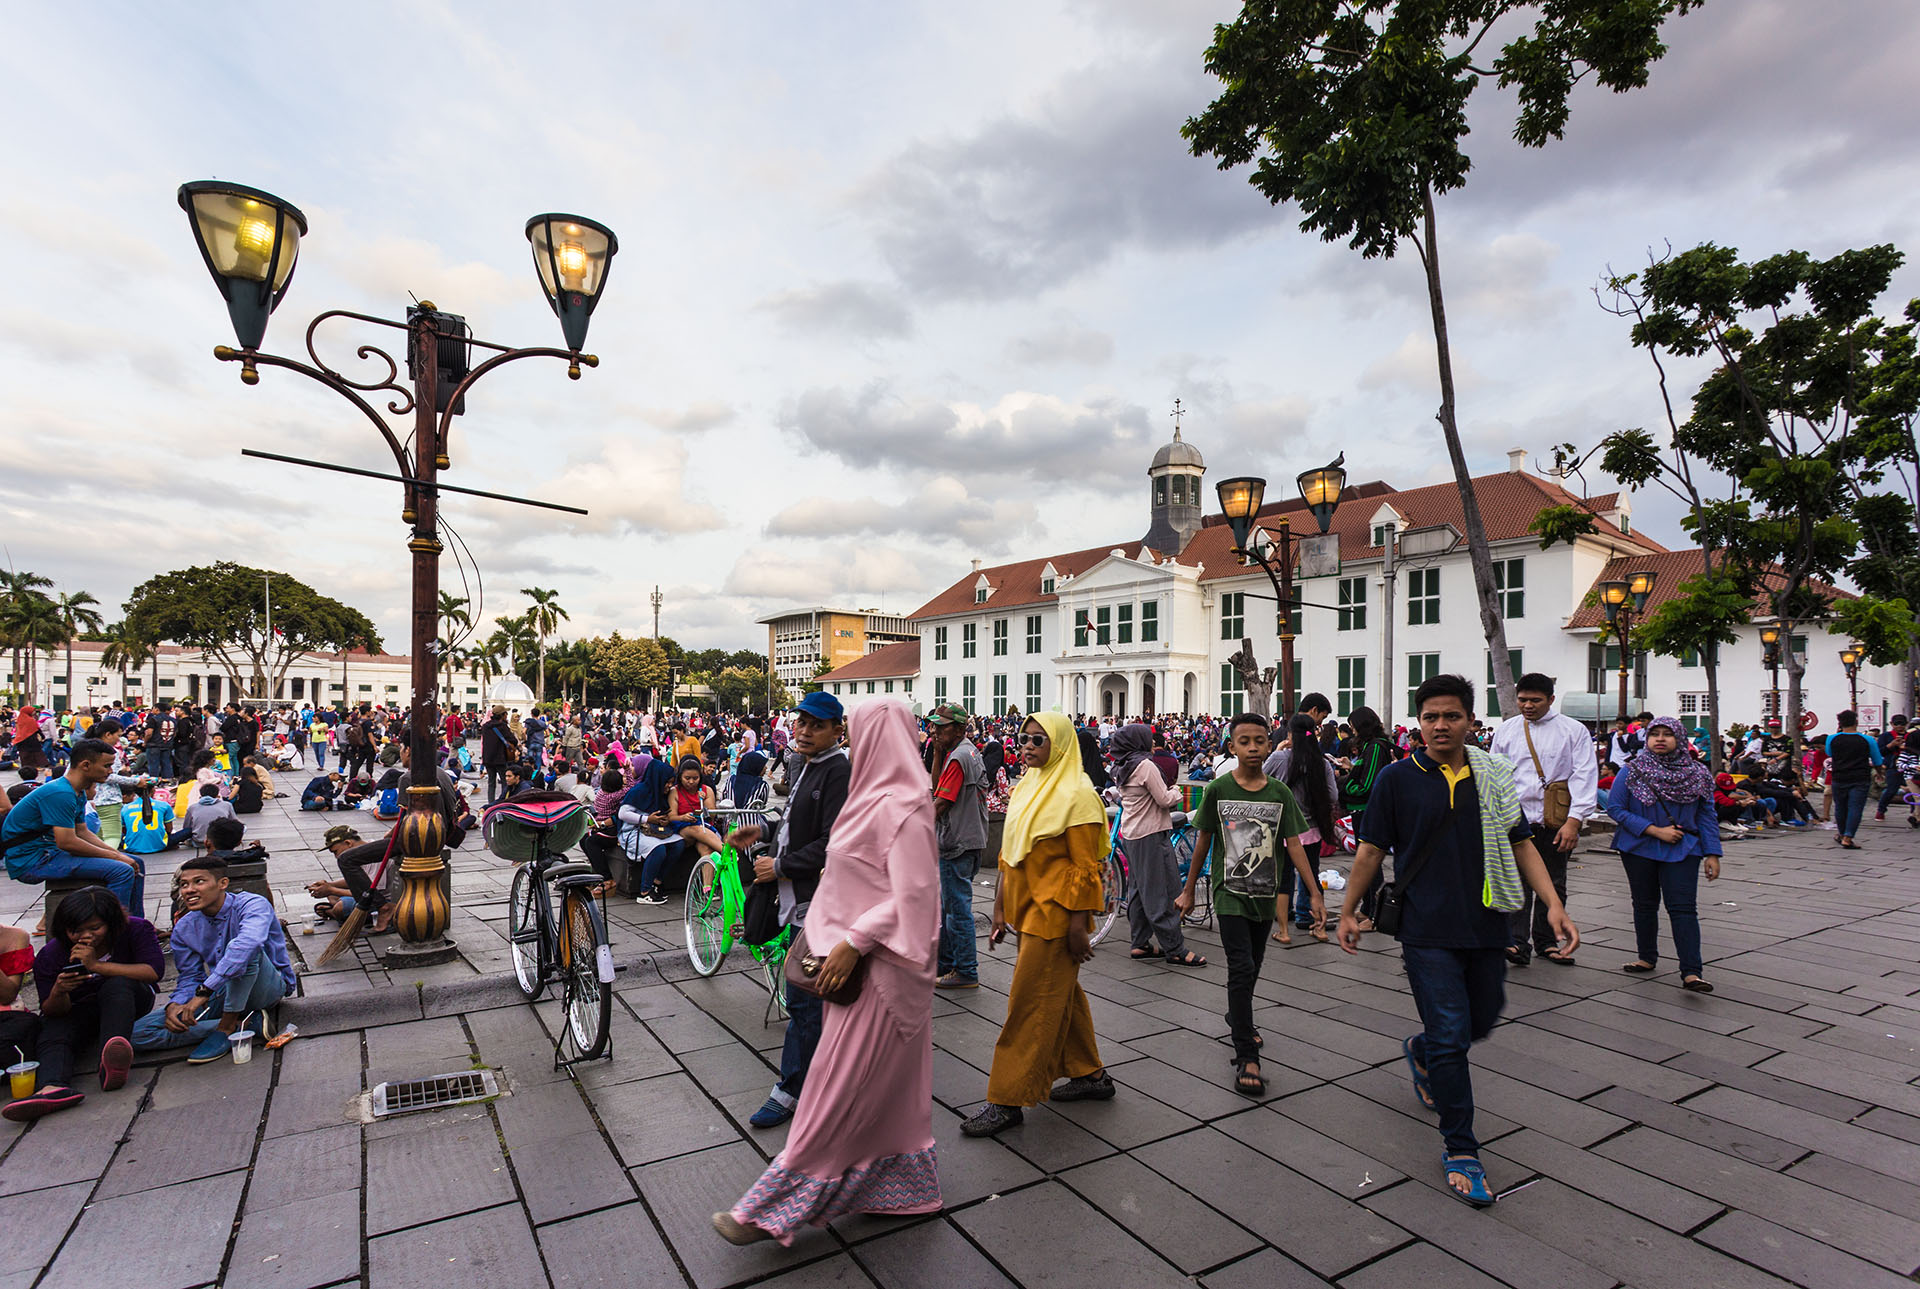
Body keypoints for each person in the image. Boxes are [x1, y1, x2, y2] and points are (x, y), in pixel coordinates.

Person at [1336, 674, 1578, 1208]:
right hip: (1425, 928)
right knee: (1450, 1033)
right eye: (1430, 717)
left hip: (1487, 921)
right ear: (1418, 724)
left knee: (1481, 1018)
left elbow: (1521, 844)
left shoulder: (1492, 774)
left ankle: (1422, 1052)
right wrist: (1348, 910)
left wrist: (1554, 905)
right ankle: (1461, 1145)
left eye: (1451, 716)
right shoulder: (1398, 778)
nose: (1440, 725)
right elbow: (1371, 852)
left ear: (1471, 721)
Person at [713, 700, 942, 1246]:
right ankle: (908, 1188)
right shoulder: (871, 797)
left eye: (859, 733)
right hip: (855, 961)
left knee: (833, 1086)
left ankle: (769, 1209)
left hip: (879, 972)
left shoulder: (905, 806)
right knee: (887, 1091)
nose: (852, 743)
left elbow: (916, 894)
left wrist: (853, 942)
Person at [962, 710, 1115, 1138]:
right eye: (1023, 739)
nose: (1026, 747)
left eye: (1037, 741)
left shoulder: (1078, 795)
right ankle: (1090, 1074)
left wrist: (1077, 923)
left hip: (1056, 916)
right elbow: (1011, 856)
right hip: (1030, 913)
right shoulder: (1029, 785)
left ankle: (1006, 1098)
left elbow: (1087, 867)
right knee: (1059, 992)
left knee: (1028, 1004)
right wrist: (999, 910)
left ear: (1060, 745)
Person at [1177, 713, 1323, 1095]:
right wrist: (1189, 889)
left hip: (1265, 897)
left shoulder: (1279, 793)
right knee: (1241, 968)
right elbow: (1203, 843)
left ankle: (1237, 1014)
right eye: (1245, 742)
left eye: (1260, 740)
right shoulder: (1219, 789)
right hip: (1229, 896)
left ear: (1270, 743)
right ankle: (1246, 1054)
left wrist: (1317, 894)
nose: (1254, 748)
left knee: (1253, 967)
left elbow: (1295, 845)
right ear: (1232, 747)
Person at [732, 691, 851, 1129]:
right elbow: (796, 822)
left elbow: (832, 843)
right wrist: (762, 827)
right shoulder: (808, 764)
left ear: (838, 730)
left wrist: (778, 866)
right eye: (801, 722)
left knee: (803, 1001)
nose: (804, 730)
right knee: (807, 1001)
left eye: (816, 725)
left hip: (816, 904)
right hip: (798, 903)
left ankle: (793, 1090)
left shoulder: (838, 770)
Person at [5, 887, 164, 1121]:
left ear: (111, 923)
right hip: (81, 1009)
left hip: (129, 999)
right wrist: (60, 991)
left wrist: (97, 966)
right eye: (76, 931)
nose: (85, 936)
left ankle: (110, 1061)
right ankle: (52, 1087)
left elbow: (153, 971)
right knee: (53, 1027)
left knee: (117, 985)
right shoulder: (52, 953)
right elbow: (50, 1009)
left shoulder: (136, 929)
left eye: (95, 928)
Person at [132, 856, 297, 1064]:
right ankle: (244, 1025)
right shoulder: (184, 928)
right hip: (221, 991)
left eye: (199, 882)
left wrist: (205, 991)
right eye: (184, 885)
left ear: (222, 884)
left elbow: (249, 943)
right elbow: (190, 976)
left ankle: (226, 1028)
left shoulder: (252, 904)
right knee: (139, 1033)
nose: (189, 890)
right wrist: (176, 1004)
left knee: (240, 950)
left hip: (267, 987)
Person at [1487, 673, 1599, 968]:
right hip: (1515, 820)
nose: (1527, 705)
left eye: (1535, 700)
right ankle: (1516, 942)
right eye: (1522, 700)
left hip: (1556, 821)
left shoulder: (1573, 731)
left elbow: (1585, 774)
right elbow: (1494, 774)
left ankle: (1547, 941)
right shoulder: (1507, 730)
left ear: (1550, 699)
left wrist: (1575, 820)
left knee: (1555, 881)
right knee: (1518, 882)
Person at [1608, 716, 1722, 991]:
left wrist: (1712, 853)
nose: (1660, 739)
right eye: (1654, 734)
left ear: (1680, 739)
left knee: (1683, 909)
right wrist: (1654, 830)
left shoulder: (1698, 774)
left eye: (1667, 734)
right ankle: (1646, 957)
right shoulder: (1632, 770)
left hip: (1683, 848)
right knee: (1644, 903)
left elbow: (1706, 813)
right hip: (1638, 846)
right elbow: (1615, 808)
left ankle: (1691, 971)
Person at [1, 739, 145, 915]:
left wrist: (117, 854)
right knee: (121, 871)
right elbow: (67, 842)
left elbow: (82, 832)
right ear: (86, 765)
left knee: (136, 862)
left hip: (49, 853)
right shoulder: (61, 793)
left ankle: (137, 924)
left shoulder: (77, 791)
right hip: (32, 861)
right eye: (107, 766)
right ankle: (115, 930)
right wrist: (115, 856)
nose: (110, 771)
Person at [1111, 722, 1199, 966]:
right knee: (1160, 891)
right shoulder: (1145, 766)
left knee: (1138, 890)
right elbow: (1164, 800)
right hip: (1151, 833)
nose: (1151, 742)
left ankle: (1140, 943)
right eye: (1146, 738)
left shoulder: (1122, 765)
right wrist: (1177, 792)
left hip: (1131, 833)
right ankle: (1175, 948)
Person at [926, 703, 989, 991]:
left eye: (942, 726)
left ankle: (965, 969)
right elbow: (938, 786)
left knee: (957, 910)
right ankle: (947, 964)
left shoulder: (959, 758)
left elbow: (939, 803)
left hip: (957, 842)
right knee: (949, 907)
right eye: (935, 725)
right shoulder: (965, 752)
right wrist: (937, 751)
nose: (936, 731)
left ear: (960, 729)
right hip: (969, 839)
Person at [1263, 713, 1339, 942]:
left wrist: (1276, 750)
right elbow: (1333, 796)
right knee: (1311, 875)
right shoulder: (1323, 762)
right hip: (1313, 830)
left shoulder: (1280, 758)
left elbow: (1260, 780)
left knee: (1284, 878)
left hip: (1285, 831)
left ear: (1290, 734)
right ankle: (1317, 925)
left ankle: (1284, 930)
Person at [119, 779, 184, 854]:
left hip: (132, 847)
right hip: (160, 845)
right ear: (153, 790)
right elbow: (169, 829)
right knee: (188, 831)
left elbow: (124, 831)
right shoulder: (164, 805)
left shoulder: (125, 808)